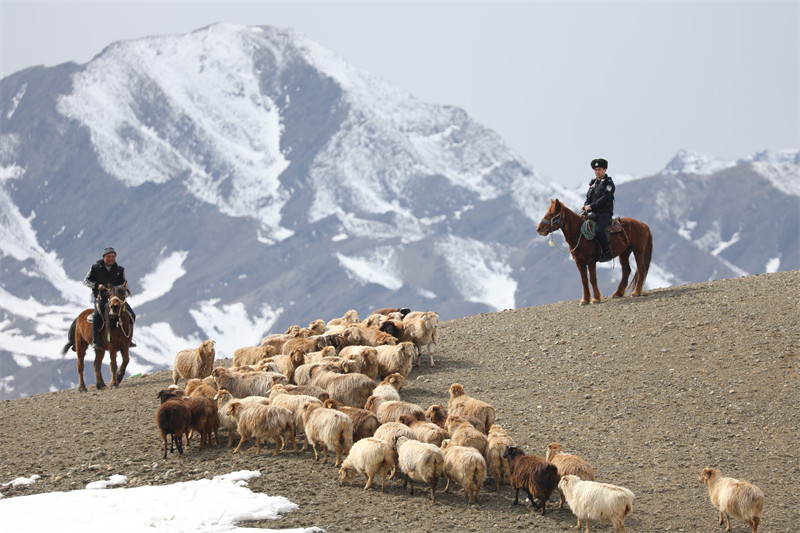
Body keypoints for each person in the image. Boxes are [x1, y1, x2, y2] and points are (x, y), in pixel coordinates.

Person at [83, 247, 136, 349]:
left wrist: (117, 289)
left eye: (113, 257)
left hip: (116, 298)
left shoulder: (120, 270)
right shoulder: (95, 268)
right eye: (108, 257)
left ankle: (128, 339)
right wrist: (97, 286)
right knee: (98, 316)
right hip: (101, 298)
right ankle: (95, 340)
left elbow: (124, 282)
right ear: (103, 257)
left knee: (131, 315)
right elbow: (86, 280)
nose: (111, 259)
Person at [582, 158, 615, 262]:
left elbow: (606, 198)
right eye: (595, 170)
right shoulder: (593, 183)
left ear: (605, 170)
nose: (597, 172)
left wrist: (591, 206)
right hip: (592, 211)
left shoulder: (608, 183)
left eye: (600, 169)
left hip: (604, 212)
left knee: (599, 229)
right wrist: (586, 206)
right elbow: (588, 197)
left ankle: (607, 252)